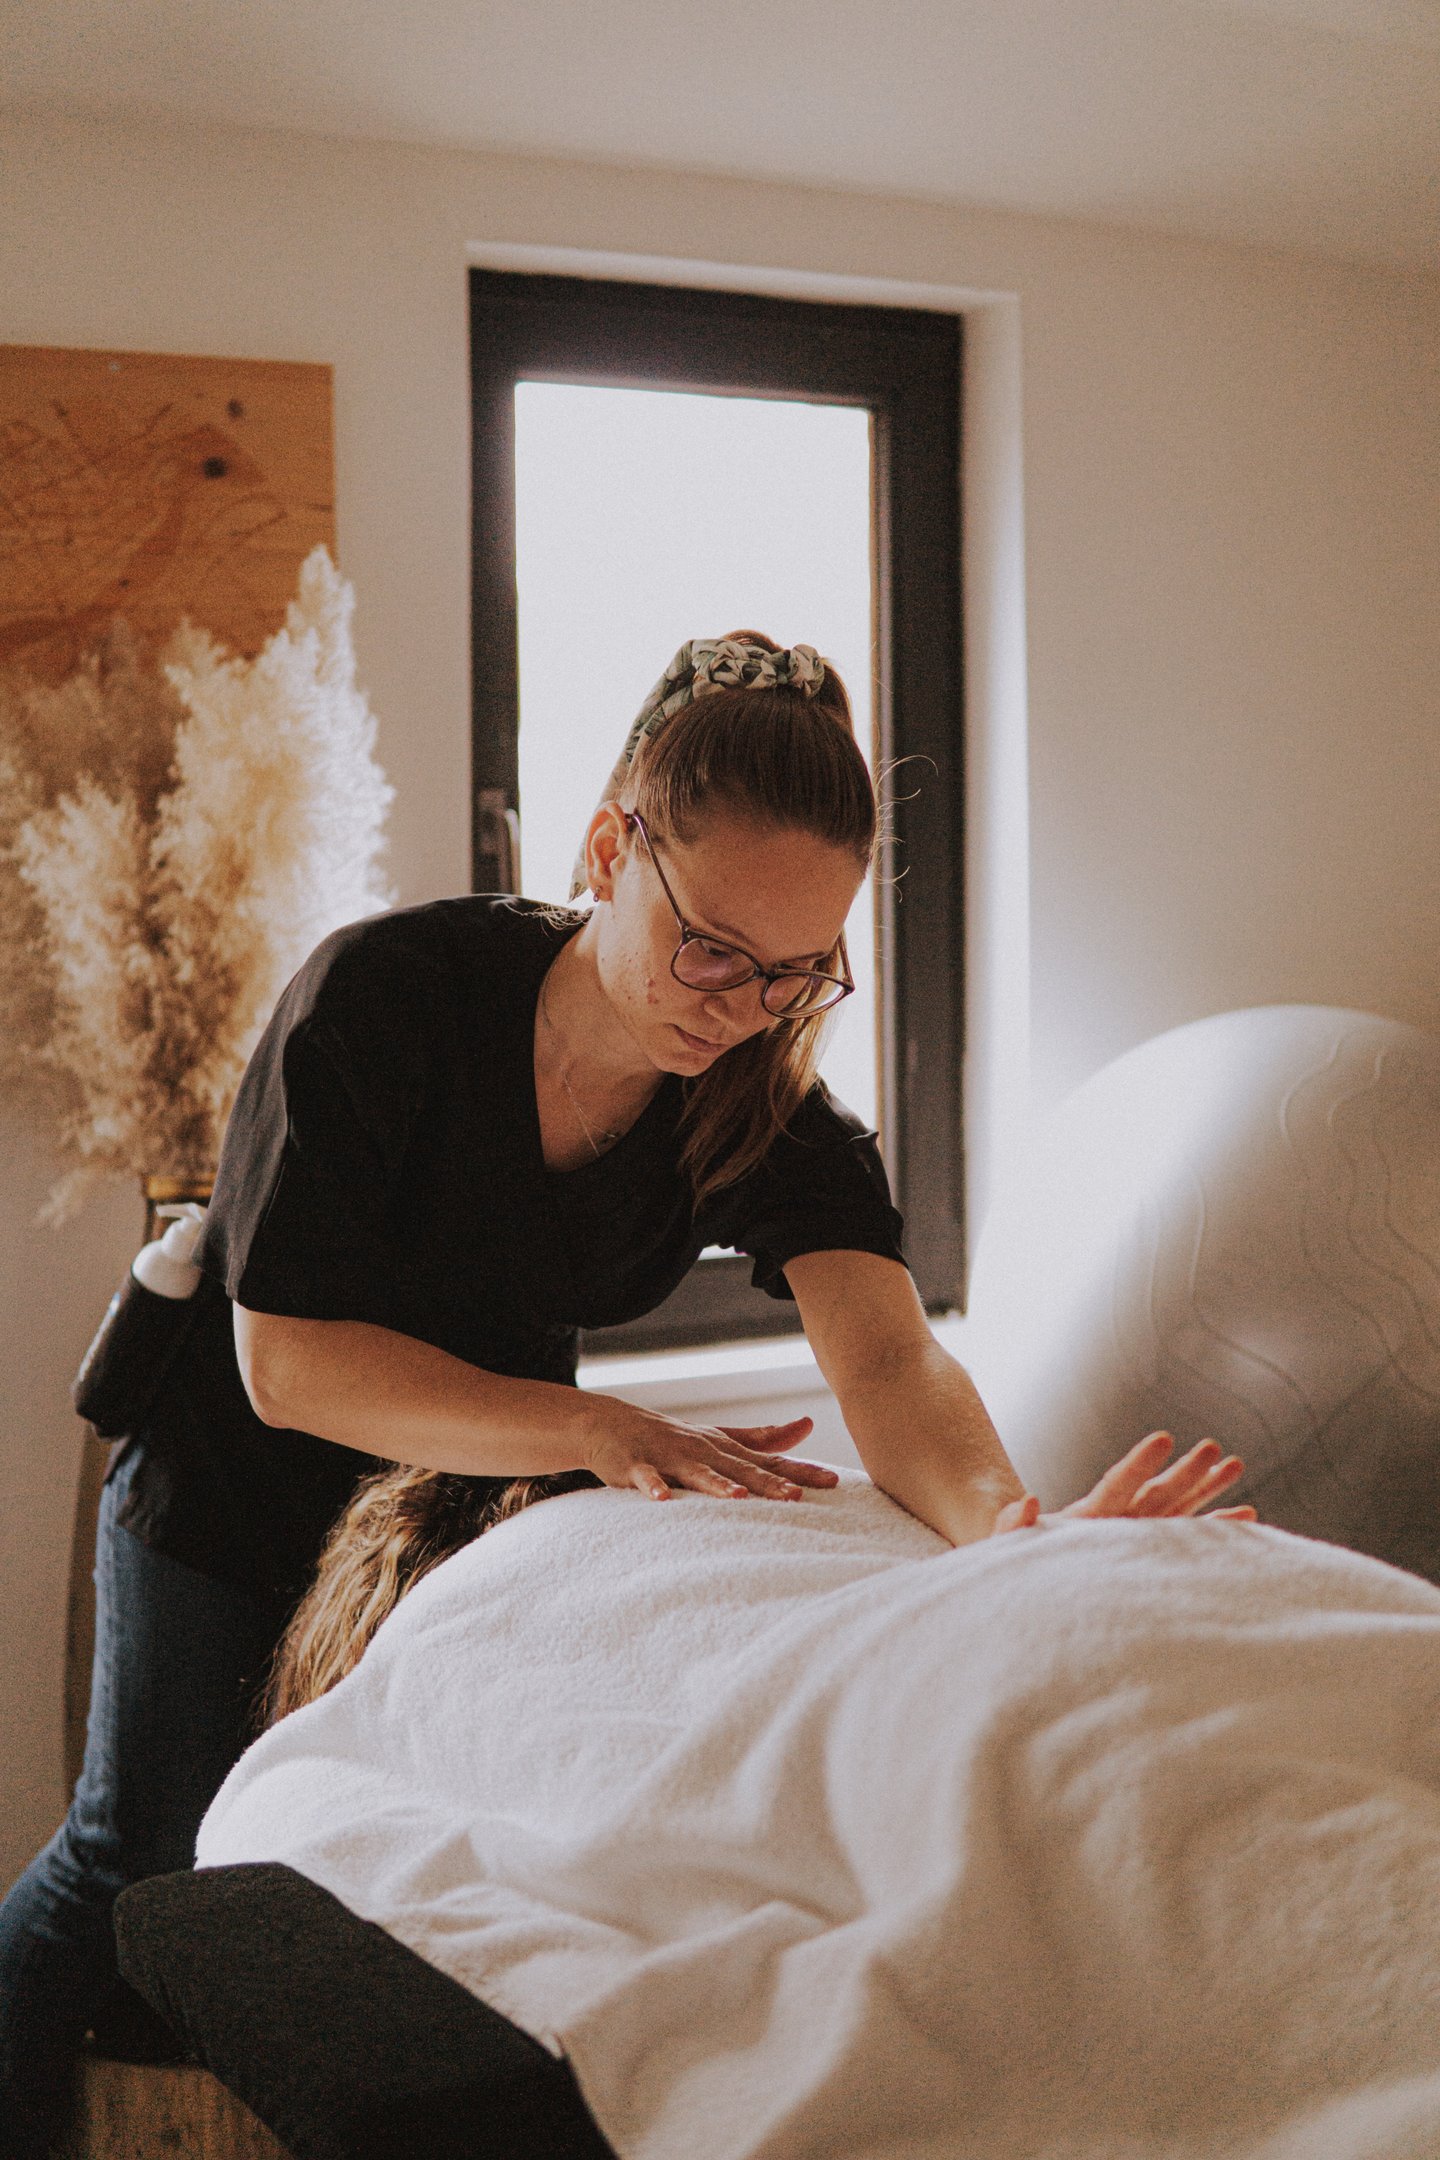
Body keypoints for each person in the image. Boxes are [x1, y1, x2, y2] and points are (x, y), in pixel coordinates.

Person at [0, 630, 1252, 2157]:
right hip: (232, 1493)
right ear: (611, 848)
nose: (741, 1005)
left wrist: (1011, 1533)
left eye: (797, 972)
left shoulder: (760, 1104)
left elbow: (887, 1358)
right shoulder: (383, 999)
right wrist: (601, 1431)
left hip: (448, 1528)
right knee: (133, 1861)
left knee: (372, 1878)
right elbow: (289, 1362)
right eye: (713, 948)